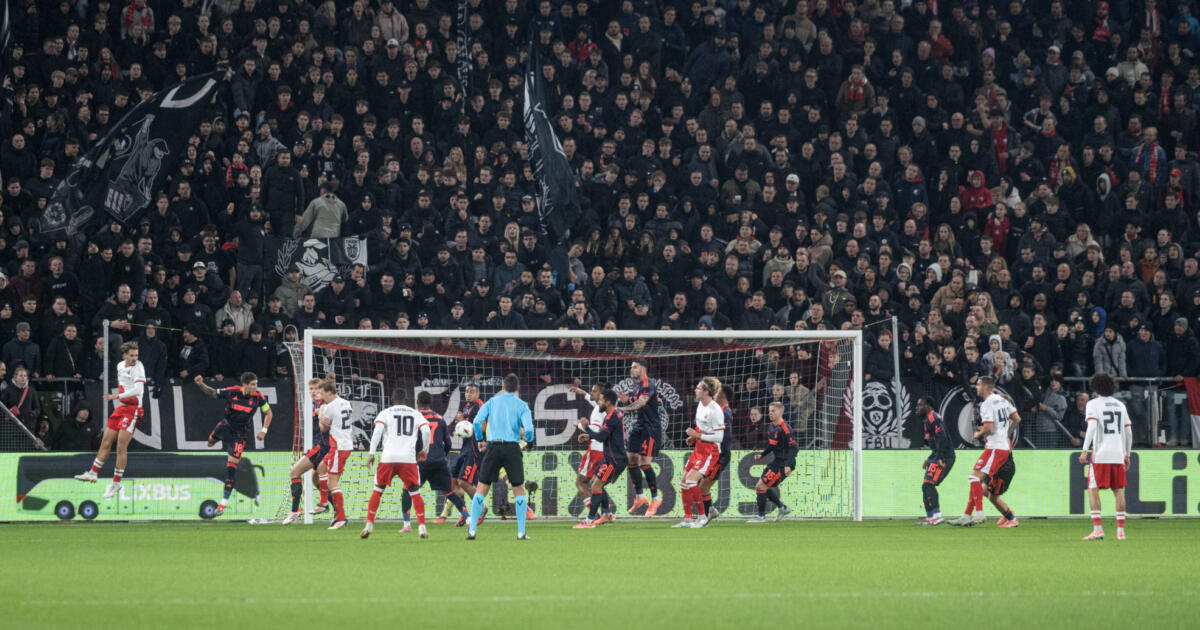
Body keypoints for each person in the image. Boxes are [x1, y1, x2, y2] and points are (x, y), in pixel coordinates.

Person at [467, 373, 535, 541]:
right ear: (518, 388)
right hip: (512, 449)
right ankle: (520, 532)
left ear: (503, 387)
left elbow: (476, 422)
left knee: (482, 488)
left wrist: (480, 440)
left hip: (493, 448)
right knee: (518, 489)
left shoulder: (492, 402)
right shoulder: (522, 405)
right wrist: (530, 443)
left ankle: (472, 530)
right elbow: (529, 430)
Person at [194, 371, 272, 516]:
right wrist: (201, 384)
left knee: (231, 467)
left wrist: (264, 430)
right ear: (245, 385)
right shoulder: (232, 392)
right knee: (210, 441)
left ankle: (223, 504)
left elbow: (269, 413)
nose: (256, 387)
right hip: (225, 426)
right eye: (253, 384)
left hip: (239, 435)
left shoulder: (258, 397)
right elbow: (212, 393)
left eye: (256, 384)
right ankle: (214, 439)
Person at [74, 342, 145, 499]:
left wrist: (117, 396)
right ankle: (93, 473)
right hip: (122, 408)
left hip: (133, 409)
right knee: (106, 441)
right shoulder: (120, 365)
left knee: (121, 446)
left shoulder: (138, 368)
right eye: (132, 355)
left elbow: (139, 390)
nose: (135, 358)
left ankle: (116, 483)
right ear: (124, 355)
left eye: (136, 355)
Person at [950, 376, 1021, 527]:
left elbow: (988, 428)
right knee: (976, 481)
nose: (976, 387)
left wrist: (978, 434)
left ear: (986, 387)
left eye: (978, 384)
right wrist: (1006, 434)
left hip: (995, 448)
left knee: (974, 479)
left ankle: (979, 514)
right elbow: (1016, 418)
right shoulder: (1003, 400)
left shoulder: (986, 404)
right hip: (1000, 447)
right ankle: (966, 515)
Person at [362, 388, 430, 539]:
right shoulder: (415, 413)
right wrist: (425, 450)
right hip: (408, 459)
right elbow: (426, 431)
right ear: (406, 399)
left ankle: (369, 525)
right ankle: (422, 527)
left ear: (392, 399)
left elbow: (377, 432)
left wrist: (372, 453)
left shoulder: (385, 413)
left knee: (378, 490)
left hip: (388, 458)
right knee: (415, 492)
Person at [399, 391, 469, 531]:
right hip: (439, 462)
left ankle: (407, 524)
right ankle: (468, 518)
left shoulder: (415, 417)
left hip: (421, 462)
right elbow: (448, 443)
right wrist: (441, 455)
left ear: (418, 403)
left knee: (407, 490)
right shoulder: (439, 418)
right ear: (430, 402)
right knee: (449, 492)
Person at [1080, 372, 1132, 541]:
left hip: (1101, 454)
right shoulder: (1120, 405)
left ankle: (1098, 530)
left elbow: (1092, 427)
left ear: (1095, 388)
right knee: (1118, 490)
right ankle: (1121, 532)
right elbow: (1128, 431)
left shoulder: (1093, 404)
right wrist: (1127, 454)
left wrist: (1085, 449)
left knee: (1093, 489)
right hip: (1117, 453)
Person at [573, 388, 626, 528]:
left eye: (601, 400)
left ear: (608, 402)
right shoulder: (613, 414)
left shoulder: (613, 416)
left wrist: (586, 428)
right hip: (610, 458)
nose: (599, 402)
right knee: (596, 483)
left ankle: (590, 520)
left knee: (596, 485)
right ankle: (607, 514)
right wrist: (589, 436)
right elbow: (606, 435)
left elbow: (602, 437)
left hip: (614, 460)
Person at [676, 376, 725, 528]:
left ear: (706, 391)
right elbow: (702, 428)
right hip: (699, 448)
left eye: (698, 388)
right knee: (684, 482)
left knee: (691, 480)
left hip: (710, 451)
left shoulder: (715, 410)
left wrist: (697, 435)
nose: (695, 390)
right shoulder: (700, 405)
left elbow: (719, 437)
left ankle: (702, 517)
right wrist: (694, 438)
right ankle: (688, 518)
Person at [283, 378, 333, 524]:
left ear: (322, 390)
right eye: (311, 389)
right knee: (316, 480)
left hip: (321, 447)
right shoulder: (315, 405)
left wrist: (321, 412)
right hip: (321, 446)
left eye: (316, 389)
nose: (313, 392)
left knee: (294, 472)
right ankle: (337, 511)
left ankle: (294, 510)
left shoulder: (325, 405)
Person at [620, 359, 664, 516]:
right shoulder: (637, 386)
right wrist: (628, 400)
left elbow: (641, 402)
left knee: (644, 463)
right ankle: (640, 497)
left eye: (635, 367)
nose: (631, 369)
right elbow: (636, 402)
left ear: (643, 368)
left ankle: (655, 498)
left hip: (650, 429)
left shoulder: (648, 383)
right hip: (639, 426)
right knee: (630, 458)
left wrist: (623, 407)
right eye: (631, 367)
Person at [569, 381, 613, 523]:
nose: (591, 392)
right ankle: (607, 513)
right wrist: (585, 394)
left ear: (601, 395)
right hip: (606, 450)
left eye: (594, 391)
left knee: (580, 483)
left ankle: (593, 515)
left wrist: (580, 426)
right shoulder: (606, 408)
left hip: (595, 450)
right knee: (597, 482)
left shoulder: (596, 412)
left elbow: (595, 430)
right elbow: (596, 404)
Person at [313, 380, 354, 529]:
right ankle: (324, 502)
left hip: (339, 447)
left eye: (323, 393)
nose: (321, 396)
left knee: (332, 483)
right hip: (344, 444)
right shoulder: (346, 402)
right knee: (321, 468)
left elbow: (323, 428)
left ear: (330, 393)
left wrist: (320, 415)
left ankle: (341, 518)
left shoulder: (329, 407)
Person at [746, 402, 796, 523]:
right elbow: (772, 445)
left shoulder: (785, 428)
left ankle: (761, 517)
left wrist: (788, 465)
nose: (770, 413)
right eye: (769, 411)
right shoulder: (771, 426)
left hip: (783, 464)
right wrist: (762, 455)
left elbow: (794, 448)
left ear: (780, 412)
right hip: (776, 462)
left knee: (760, 486)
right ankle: (782, 507)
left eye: (773, 411)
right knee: (763, 486)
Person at [697, 384, 735, 522]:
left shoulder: (725, 412)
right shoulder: (719, 411)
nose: (714, 394)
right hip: (714, 454)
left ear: (723, 395)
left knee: (703, 486)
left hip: (720, 456)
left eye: (717, 391)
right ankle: (711, 510)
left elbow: (726, 436)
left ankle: (707, 515)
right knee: (700, 483)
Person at [451, 384, 487, 527]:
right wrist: (460, 423)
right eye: (466, 392)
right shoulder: (465, 407)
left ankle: (481, 507)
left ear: (478, 393)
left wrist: (467, 425)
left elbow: (482, 426)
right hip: (464, 449)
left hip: (474, 451)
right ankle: (464, 512)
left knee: (463, 481)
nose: (468, 394)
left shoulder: (480, 406)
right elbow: (460, 423)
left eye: (472, 392)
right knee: (452, 481)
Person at [916, 396, 954, 526]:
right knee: (925, 485)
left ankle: (937, 516)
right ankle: (930, 516)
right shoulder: (928, 420)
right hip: (938, 455)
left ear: (927, 406)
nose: (917, 408)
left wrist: (938, 458)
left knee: (929, 484)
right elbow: (936, 443)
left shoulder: (933, 418)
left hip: (944, 456)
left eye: (920, 405)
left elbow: (942, 437)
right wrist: (930, 458)